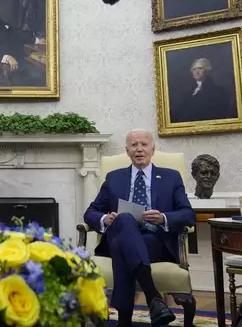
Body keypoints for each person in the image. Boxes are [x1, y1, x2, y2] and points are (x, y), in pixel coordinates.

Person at [83, 129, 196, 327]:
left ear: (153, 149)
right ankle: (153, 297)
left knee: (122, 246)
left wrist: (162, 218)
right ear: (127, 151)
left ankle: (124, 321)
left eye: (144, 144)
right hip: (120, 232)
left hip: (154, 241)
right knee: (125, 219)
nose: (139, 149)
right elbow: (90, 213)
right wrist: (105, 219)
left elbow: (188, 214)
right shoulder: (114, 178)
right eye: (134, 145)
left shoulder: (171, 177)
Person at [170, 57, 236, 123]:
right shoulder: (189, 92)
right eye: (194, 69)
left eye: (200, 68)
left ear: (207, 70)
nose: (196, 72)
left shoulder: (218, 91)